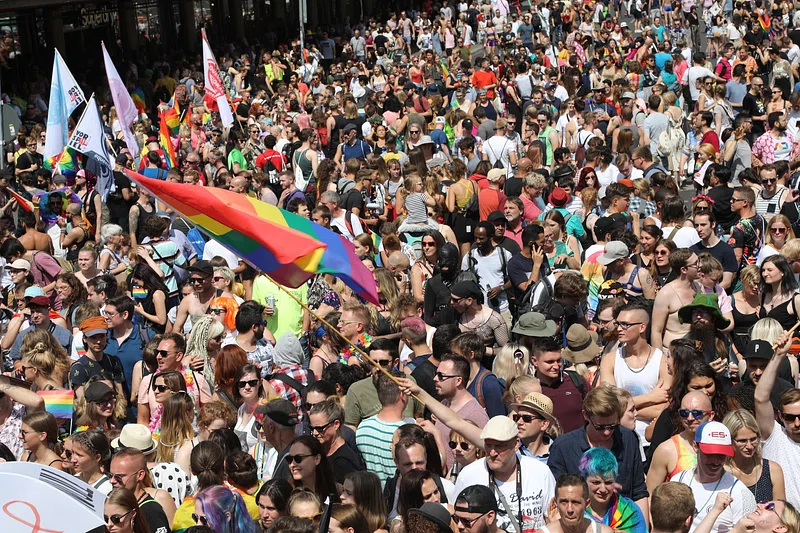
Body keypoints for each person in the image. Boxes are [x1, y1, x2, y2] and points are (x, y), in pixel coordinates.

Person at [548, 385, 649, 514]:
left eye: (612, 426)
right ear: (586, 416)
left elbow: (639, 491)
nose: (607, 432)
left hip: (623, 522)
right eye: (600, 427)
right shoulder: (564, 447)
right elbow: (557, 499)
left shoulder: (628, 439)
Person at [454, 415, 557, 533]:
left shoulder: (540, 472)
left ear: (516, 444)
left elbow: (552, 519)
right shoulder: (468, 475)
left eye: (499, 446)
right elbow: (456, 522)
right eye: (488, 445)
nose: (492, 453)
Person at [671, 420, 757, 533]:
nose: (716, 461)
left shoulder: (740, 492)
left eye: (721, 455)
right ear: (695, 447)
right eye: (710, 454)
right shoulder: (678, 481)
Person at [755, 329, 800, 508]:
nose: (797, 423)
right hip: (782, 522)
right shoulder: (775, 436)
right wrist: (779, 356)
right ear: (780, 416)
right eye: (790, 417)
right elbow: (760, 397)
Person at [647, 391, 714, 495]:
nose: (690, 418)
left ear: (710, 415)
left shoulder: (722, 444)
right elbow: (650, 494)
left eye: (697, 414)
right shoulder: (666, 450)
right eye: (684, 413)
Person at [355, 371, 415, 484]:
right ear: (402, 395)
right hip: (401, 495)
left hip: (374, 496)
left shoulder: (363, 428)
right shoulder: (411, 430)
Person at [433, 353, 489, 471]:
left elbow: (486, 453)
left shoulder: (475, 414)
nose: (435, 379)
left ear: (458, 380)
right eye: (435, 374)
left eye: (441, 376)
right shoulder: (444, 404)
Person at [723, 409, 786, 504]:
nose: (749, 446)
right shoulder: (721, 472)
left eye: (753, 439)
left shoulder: (772, 469)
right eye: (742, 441)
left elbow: (780, 511)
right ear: (729, 440)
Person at [579, 448, 647, 533]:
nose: (603, 489)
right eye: (596, 482)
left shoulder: (630, 511)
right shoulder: (575, 510)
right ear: (584, 481)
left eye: (608, 482)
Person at [109, 447, 176, 530]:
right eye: (111, 475)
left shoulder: (151, 512)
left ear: (140, 475)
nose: (112, 481)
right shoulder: (116, 503)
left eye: (119, 477)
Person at [651, 249, 701, 351]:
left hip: (696, 351)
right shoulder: (666, 293)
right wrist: (660, 361)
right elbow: (656, 331)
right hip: (674, 353)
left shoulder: (698, 287)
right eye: (696, 263)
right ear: (684, 270)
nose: (700, 265)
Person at [308, 399, 364, 484]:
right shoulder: (319, 449)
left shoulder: (344, 462)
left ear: (336, 424)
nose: (315, 433)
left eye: (320, 429)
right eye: (312, 428)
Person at [510, 392, 561, 463]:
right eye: (517, 417)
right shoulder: (509, 450)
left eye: (527, 418)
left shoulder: (558, 453)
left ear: (544, 424)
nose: (519, 422)